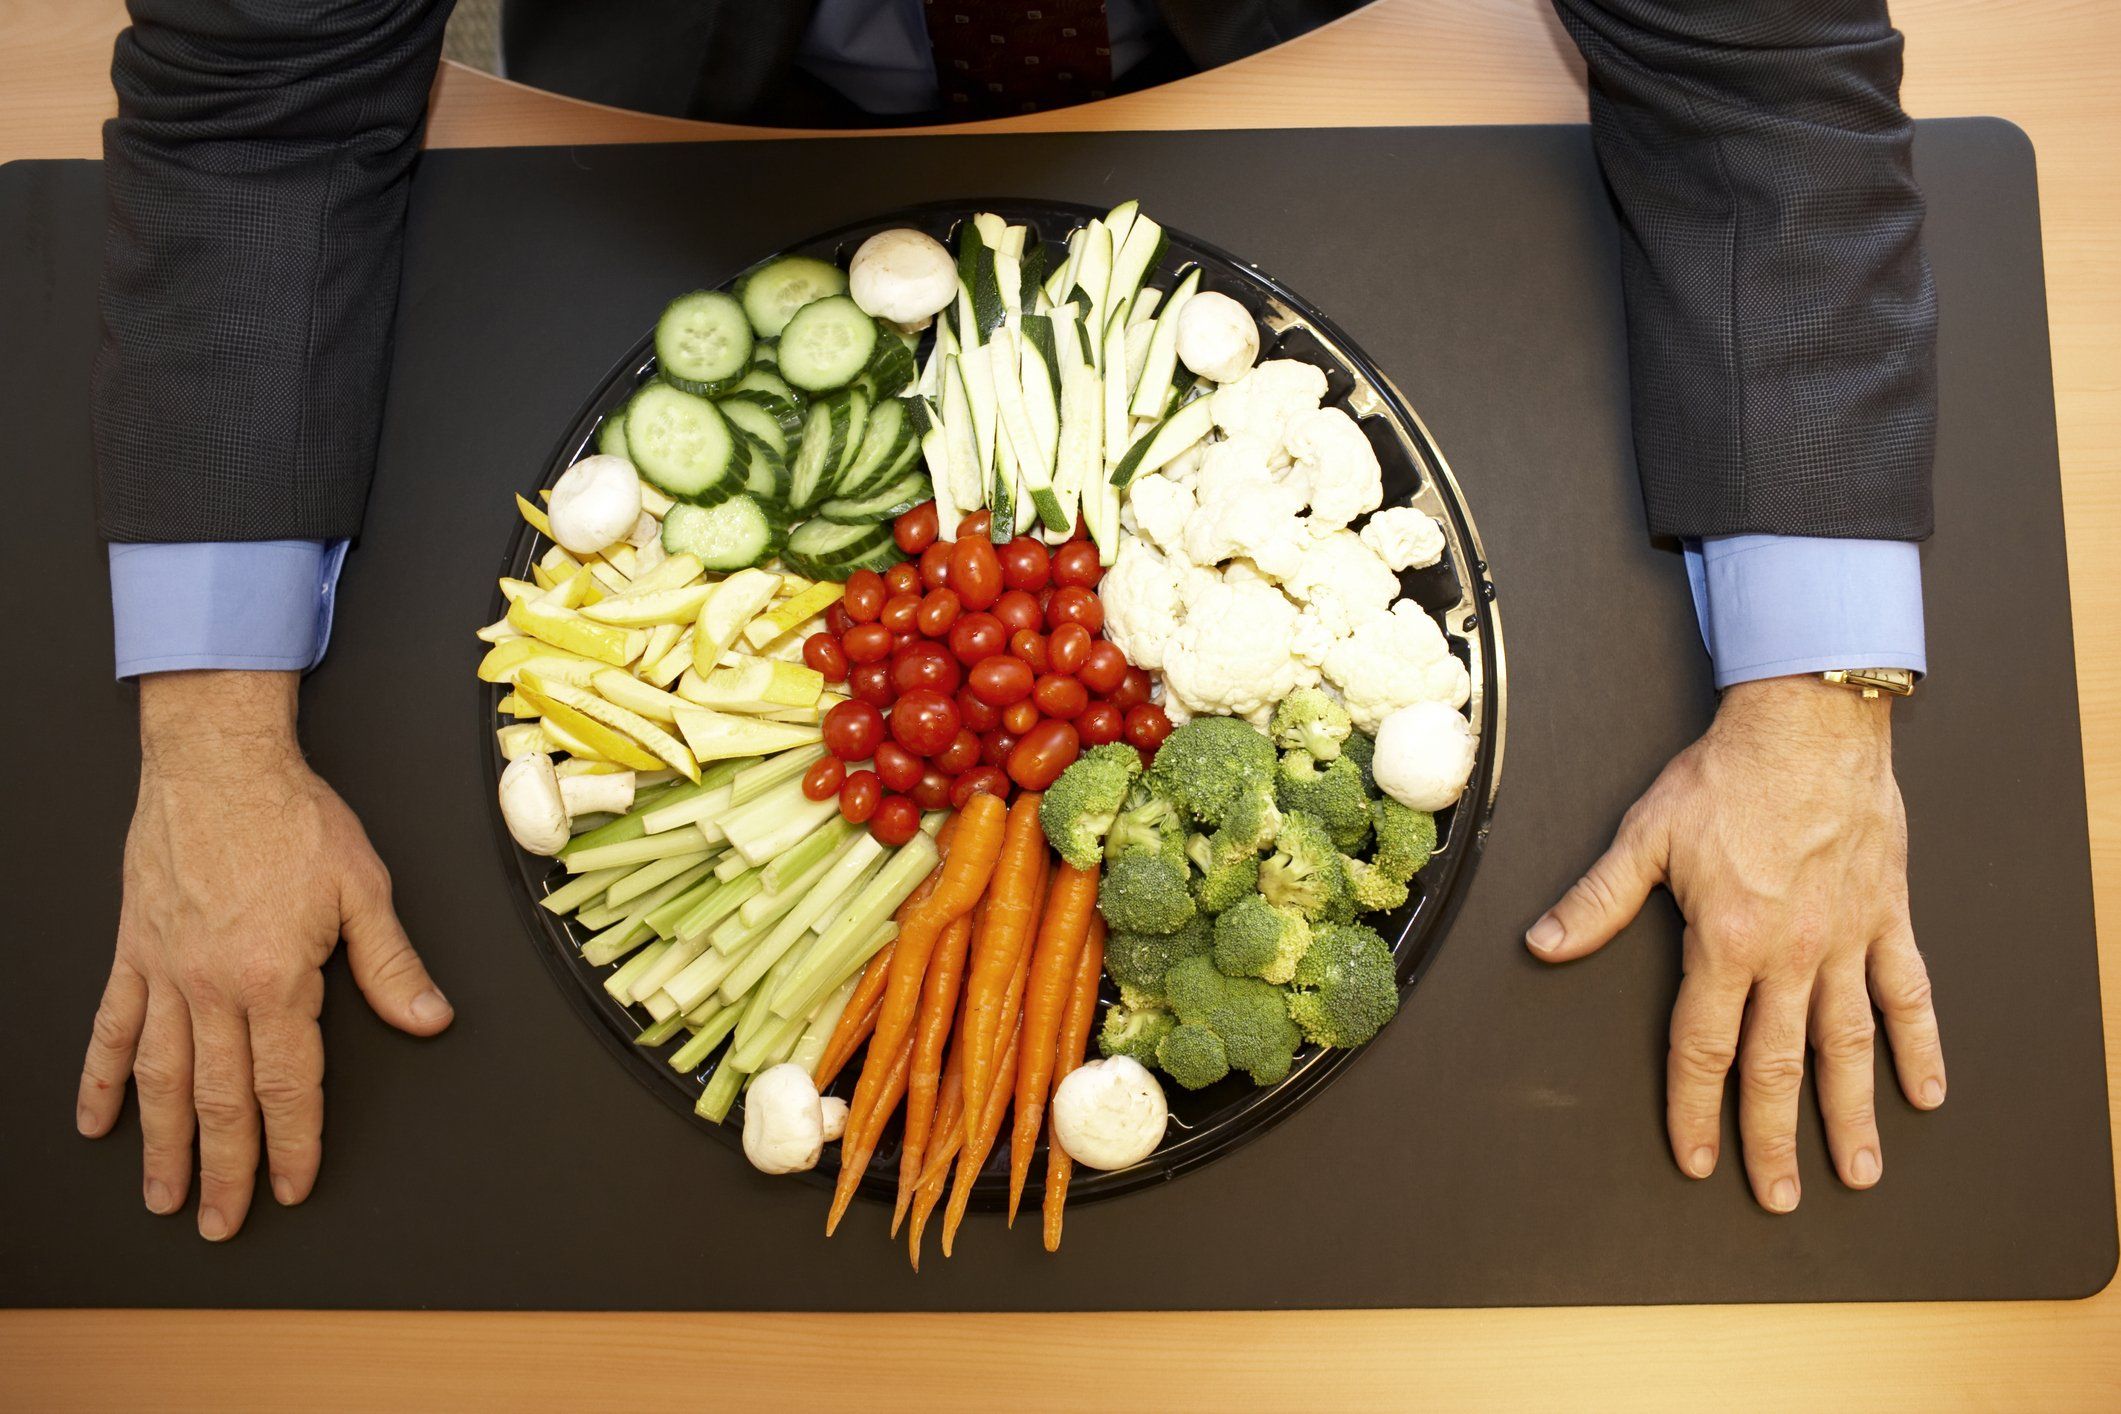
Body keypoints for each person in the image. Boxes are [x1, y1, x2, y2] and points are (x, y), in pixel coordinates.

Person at [80, 0, 1944, 1241]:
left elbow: (1759, 57)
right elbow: (258, 97)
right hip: (674, 102)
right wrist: (213, 735)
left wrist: (1814, 702)